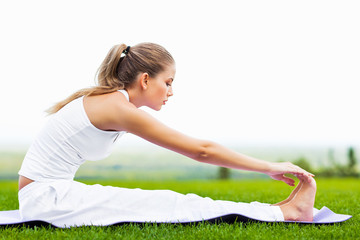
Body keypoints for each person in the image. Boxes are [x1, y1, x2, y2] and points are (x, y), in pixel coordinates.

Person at [18, 43, 316, 227]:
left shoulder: (113, 102)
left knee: (163, 201)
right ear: (145, 80)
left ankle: (276, 212)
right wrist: (271, 166)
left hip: (48, 197)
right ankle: (286, 213)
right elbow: (201, 150)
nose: (171, 92)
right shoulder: (117, 107)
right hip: (46, 201)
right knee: (167, 204)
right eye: (168, 82)